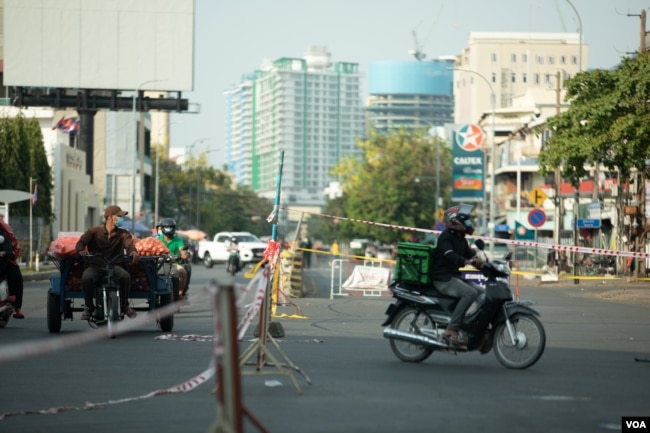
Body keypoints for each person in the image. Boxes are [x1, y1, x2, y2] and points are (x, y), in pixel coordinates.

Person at [429, 205, 484, 345]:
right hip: (443, 279)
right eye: (466, 221)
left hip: (454, 277)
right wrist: (466, 261)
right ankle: (451, 329)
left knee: (482, 293)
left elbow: (471, 255)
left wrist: (484, 263)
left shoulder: (461, 238)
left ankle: (471, 325)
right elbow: (450, 255)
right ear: (456, 221)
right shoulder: (445, 237)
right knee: (470, 293)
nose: (469, 223)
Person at [76, 205, 140, 320]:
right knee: (86, 277)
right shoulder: (93, 232)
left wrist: (133, 253)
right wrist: (80, 250)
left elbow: (130, 246)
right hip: (96, 266)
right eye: (119, 216)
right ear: (110, 217)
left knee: (125, 276)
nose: (121, 218)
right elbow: (80, 243)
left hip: (114, 266)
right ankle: (89, 307)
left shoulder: (124, 234)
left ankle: (125, 306)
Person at [156, 218, 190, 299]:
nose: (169, 229)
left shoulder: (178, 240)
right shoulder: (157, 240)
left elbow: (182, 250)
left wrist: (184, 255)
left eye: (170, 227)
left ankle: (180, 292)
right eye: (167, 227)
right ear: (162, 228)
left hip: (175, 263)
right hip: (160, 264)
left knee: (182, 272)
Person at [0, 226, 25, 319]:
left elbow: (9, 252)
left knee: (14, 270)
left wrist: (5, 254)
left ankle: (17, 307)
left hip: (2, 265)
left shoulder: (3, 237)